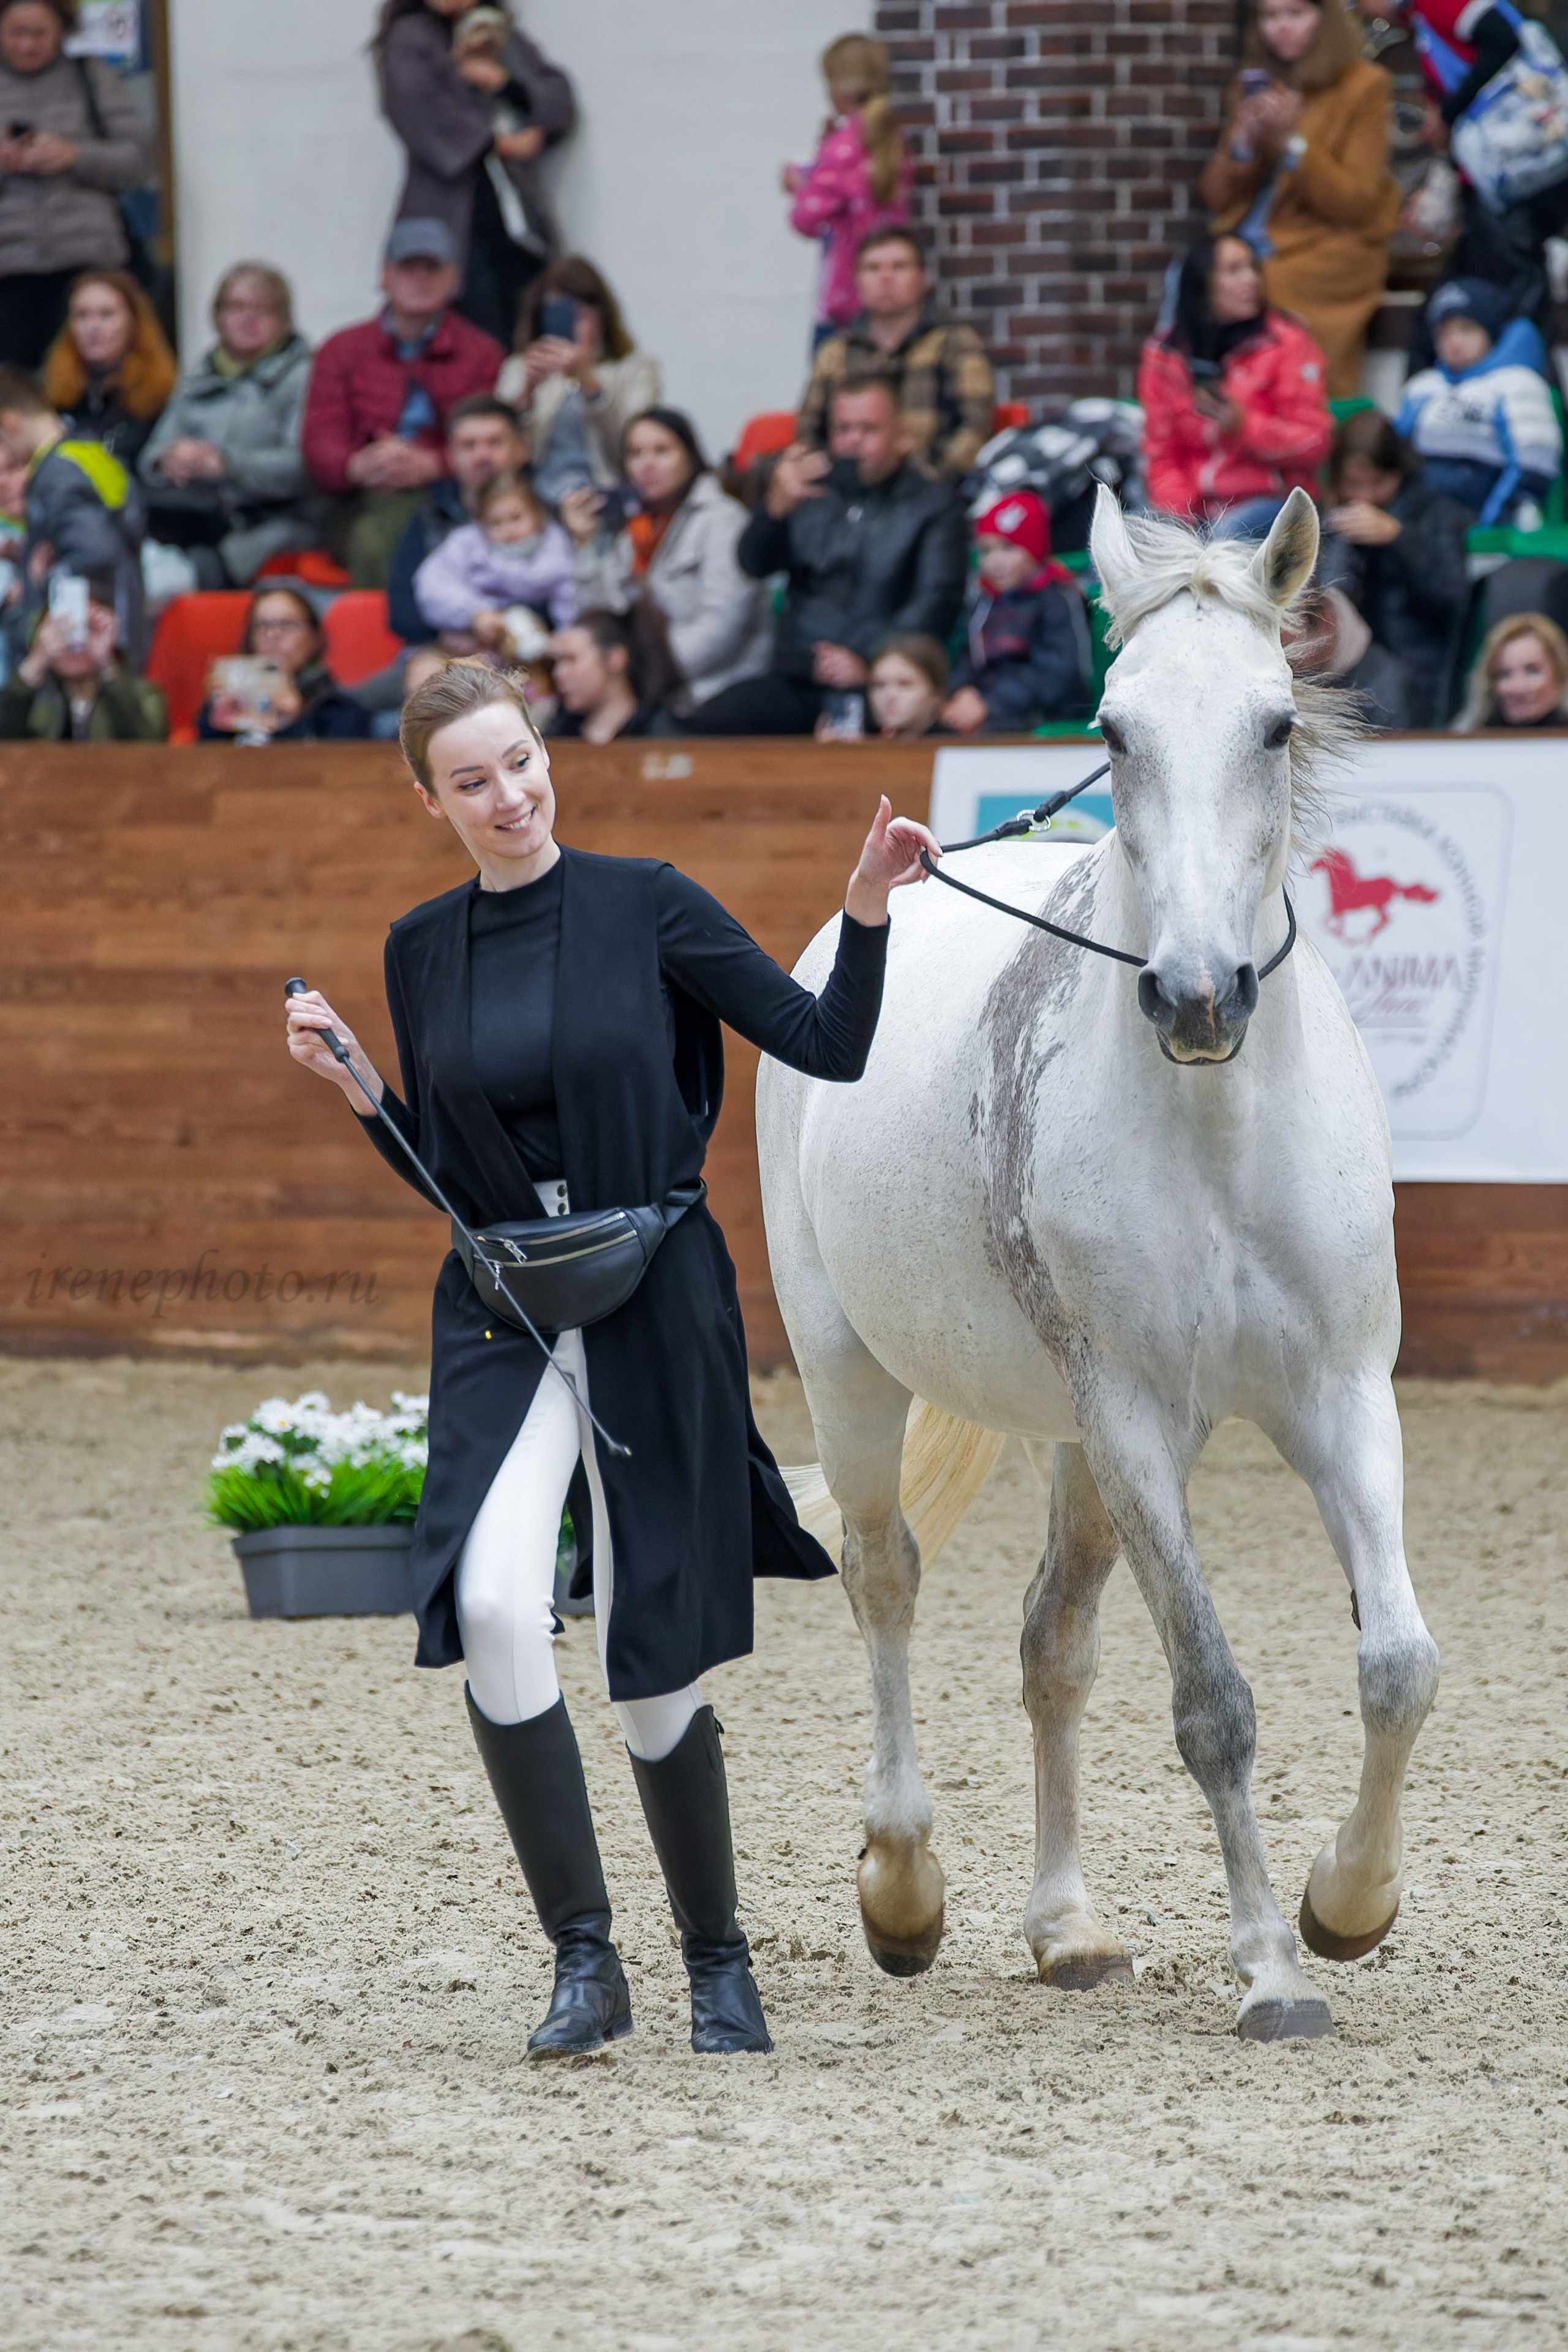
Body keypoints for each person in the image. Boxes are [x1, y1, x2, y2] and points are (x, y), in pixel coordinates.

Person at [283, 657, 939, 2057]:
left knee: (650, 1659)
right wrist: (361, 1090)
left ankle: (717, 1961)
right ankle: (585, 1959)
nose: (507, 795)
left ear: (544, 751)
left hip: (653, 1296)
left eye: (519, 760)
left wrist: (866, 907)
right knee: (498, 1607)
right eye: (471, 780)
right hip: (502, 1309)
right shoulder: (419, 948)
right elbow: (458, 1178)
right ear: (428, 798)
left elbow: (826, 1043)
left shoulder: (650, 904)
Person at [685, 372, 968, 737]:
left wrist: (869, 660)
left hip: (882, 683)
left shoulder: (934, 504)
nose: (853, 441)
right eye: (844, 429)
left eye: (869, 429)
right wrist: (773, 511)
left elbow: (936, 602)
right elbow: (753, 564)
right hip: (799, 676)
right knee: (703, 725)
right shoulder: (809, 493)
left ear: (901, 436)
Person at [1198, 0, 1400, 399]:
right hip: (1251, 240)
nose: (1280, 28)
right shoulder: (1253, 85)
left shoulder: (1365, 85)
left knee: (1265, 287)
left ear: (1325, 20)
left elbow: (1355, 202)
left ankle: (1292, 412)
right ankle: (1201, 405)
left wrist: (1293, 143)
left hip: (1328, 246)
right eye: (1270, 17)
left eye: (1294, 14)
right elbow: (1217, 199)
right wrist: (1244, 142)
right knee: (1192, 280)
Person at [301, 217, 505, 590]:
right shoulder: (341, 350)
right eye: (408, 268)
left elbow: (495, 437)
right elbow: (319, 439)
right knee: (375, 538)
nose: (420, 279)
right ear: (385, 275)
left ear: (453, 278)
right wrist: (356, 466)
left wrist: (435, 463)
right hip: (359, 498)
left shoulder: (482, 352)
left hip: (450, 492)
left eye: (432, 268)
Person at [375, 0, 575, 352]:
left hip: (516, 216)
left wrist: (506, 84)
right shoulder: (411, 38)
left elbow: (557, 101)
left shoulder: (500, 35)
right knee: (470, 333)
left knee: (531, 318)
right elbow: (420, 115)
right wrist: (495, 143)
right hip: (452, 217)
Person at [561, 407, 770, 716]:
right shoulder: (637, 529)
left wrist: (648, 675)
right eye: (636, 453)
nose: (647, 464)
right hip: (655, 693)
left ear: (691, 456)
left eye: (662, 451)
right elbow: (601, 615)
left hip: (718, 691)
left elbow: (722, 625)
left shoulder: (723, 521)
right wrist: (585, 544)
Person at [138, 262, 319, 590]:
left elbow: (304, 466)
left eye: (261, 309)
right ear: (217, 316)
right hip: (192, 518)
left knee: (169, 580)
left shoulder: (305, 376)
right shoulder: (199, 375)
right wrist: (169, 460)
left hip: (271, 524)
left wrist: (226, 464)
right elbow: (151, 456)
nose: (247, 319)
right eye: (236, 307)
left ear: (285, 319)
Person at [1138, 233, 1334, 534]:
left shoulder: (1288, 343)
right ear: (1201, 284)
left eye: (1253, 268)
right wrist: (1181, 520)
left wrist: (1246, 426)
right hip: (1196, 509)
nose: (1252, 280)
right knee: (1132, 540)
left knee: (1225, 541)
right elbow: (1162, 454)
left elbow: (1314, 444)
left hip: (1272, 504)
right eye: (1234, 270)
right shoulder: (1166, 356)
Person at [0, 0, 148, 372]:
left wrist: (74, 156)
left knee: (81, 376)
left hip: (86, 261)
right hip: (9, 269)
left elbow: (139, 161)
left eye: (38, 34)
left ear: (61, 32)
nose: (26, 45)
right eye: (16, 33)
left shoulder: (90, 77)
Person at [795, 227, 997, 480]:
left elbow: (975, 428)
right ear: (857, 280)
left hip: (936, 493)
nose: (886, 278)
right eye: (873, 268)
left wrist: (935, 485)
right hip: (849, 493)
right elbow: (809, 433)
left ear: (924, 279)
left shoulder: (954, 342)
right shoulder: (836, 350)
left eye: (899, 267)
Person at [1317, 406, 1472, 725]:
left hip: (1413, 671)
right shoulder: (1327, 517)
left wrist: (1399, 539)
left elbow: (1453, 599)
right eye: (1353, 484)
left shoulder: (1438, 513)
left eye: (1376, 483)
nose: (1365, 496)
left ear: (1399, 473)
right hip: (1343, 665)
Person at [0, 361, 144, 663]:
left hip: (85, 642)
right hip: (120, 626)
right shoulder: (88, 452)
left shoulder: (57, 474)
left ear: (10, 424)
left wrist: (46, 576)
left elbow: (96, 549)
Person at [1395, 276, 1563, 527]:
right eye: (1445, 332)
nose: (1454, 342)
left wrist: (1494, 518)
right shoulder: (1424, 385)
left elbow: (1534, 463)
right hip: (1424, 506)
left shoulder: (1517, 382)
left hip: (1487, 508)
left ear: (1492, 332)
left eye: (1467, 329)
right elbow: (1396, 453)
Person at [497, 257, 660, 510]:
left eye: (581, 313)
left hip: (609, 496)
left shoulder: (634, 369)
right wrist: (527, 395)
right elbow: (502, 450)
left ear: (602, 314)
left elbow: (632, 444)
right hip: (536, 501)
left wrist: (588, 382)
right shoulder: (518, 369)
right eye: (559, 313)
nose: (572, 323)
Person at [783, 33, 911, 341]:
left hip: (844, 301)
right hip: (888, 302)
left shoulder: (842, 148)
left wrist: (799, 184)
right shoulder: (892, 142)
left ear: (840, 90)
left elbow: (806, 220)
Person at [943, 489, 1092, 734]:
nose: (995, 561)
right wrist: (963, 692)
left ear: (1034, 549)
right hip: (987, 712)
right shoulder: (983, 603)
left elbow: (1058, 676)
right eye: (986, 550)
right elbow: (964, 657)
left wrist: (991, 704)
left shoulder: (1059, 599)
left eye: (1008, 548)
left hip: (1042, 718)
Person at [387, 394, 529, 644]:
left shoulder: (546, 513)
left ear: (522, 448)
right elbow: (402, 611)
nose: (482, 455)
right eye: (469, 445)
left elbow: (566, 596)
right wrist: (446, 637)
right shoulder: (429, 516)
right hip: (441, 650)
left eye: (495, 443)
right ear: (451, 455)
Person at [413, 467, 575, 649]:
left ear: (538, 514)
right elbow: (434, 583)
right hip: (474, 639)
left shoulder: (556, 548)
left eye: (516, 518)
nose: (508, 530)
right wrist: (475, 614)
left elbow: (570, 598)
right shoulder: (467, 544)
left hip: (538, 644)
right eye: (496, 523)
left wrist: (564, 639)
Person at [0, 568, 164, 739]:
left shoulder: (142, 695)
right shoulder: (32, 699)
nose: (75, 644)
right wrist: (35, 664)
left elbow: (150, 747)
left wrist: (107, 664)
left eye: (87, 627)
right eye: (62, 628)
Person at [197, 585, 371, 743]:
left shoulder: (339, 711)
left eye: (287, 625)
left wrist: (292, 719)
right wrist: (216, 718)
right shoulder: (230, 702)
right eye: (263, 626)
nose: (273, 635)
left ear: (315, 638)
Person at [40, 269, 175, 470]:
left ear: (134, 321)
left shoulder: (162, 397)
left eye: (106, 314)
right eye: (82, 315)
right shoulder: (51, 394)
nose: (93, 327)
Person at [545, 605, 680, 742]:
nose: (559, 673)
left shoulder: (661, 735)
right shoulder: (557, 735)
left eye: (571, 659)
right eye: (558, 662)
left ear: (615, 659)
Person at [1453, 609, 1568, 727]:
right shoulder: (1469, 741)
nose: (1518, 687)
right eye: (1504, 674)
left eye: (1532, 671)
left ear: (1560, 672)